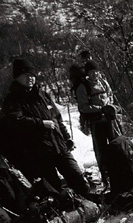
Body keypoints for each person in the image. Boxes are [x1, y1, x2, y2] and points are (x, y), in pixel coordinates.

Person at [1, 58, 90, 197]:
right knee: (53, 189)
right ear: (17, 77)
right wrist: (41, 123)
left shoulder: (43, 95)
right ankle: (64, 209)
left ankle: (89, 205)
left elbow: (57, 119)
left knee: (78, 179)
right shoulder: (12, 100)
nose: (30, 78)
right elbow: (16, 121)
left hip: (59, 146)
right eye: (25, 75)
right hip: (39, 153)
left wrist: (67, 138)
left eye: (32, 75)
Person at [75, 59, 122, 188]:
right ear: (87, 73)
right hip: (97, 123)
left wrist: (111, 107)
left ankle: (118, 174)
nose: (95, 74)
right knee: (101, 151)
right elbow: (83, 107)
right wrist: (100, 109)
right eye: (92, 72)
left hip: (110, 121)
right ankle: (106, 178)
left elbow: (110, 97)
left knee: (116, 146)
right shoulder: (83, 87)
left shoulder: (103, 83)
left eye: (96, 71)